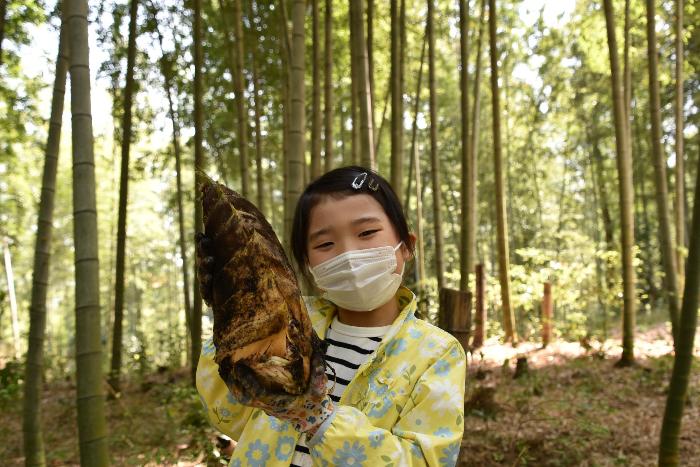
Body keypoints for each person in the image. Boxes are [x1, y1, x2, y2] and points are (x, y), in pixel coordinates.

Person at [196, 166, 466, 466]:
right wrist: (229, 314)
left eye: (366, 233)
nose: (348, 255)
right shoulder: (288, 321)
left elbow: (426, 461)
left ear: (407, 247)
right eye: (325, 244)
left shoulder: (437, 353)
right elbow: (231, 415)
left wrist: (320, 421)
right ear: (307, 265)